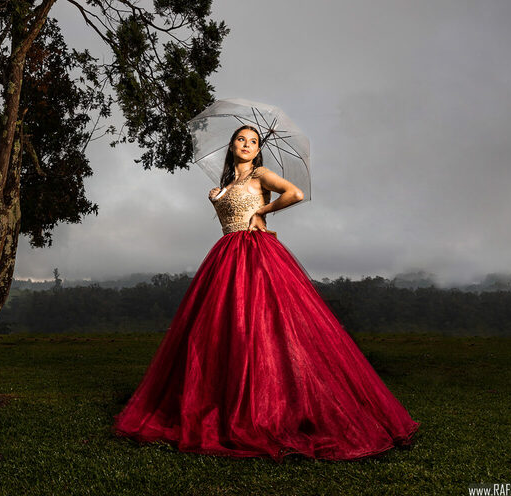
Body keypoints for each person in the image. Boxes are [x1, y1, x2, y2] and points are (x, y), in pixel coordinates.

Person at [112, 124, 420, 461]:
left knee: (262, 327)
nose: (247, 144)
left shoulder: (261, 174)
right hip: (225, 257)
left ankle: (270, 408)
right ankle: (225, 405)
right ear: (231, 146)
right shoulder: (223, 185)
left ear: (258, 150)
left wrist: (262, 210)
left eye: (253, 141)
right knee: (221, 333)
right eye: (241, 139)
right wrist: (224, 195)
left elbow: (295, 193)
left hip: (256, 254)